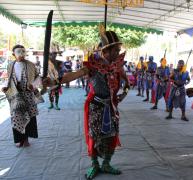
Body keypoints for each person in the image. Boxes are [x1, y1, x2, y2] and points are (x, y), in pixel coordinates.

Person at [43, 31, 129, 179]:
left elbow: (127, 83)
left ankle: (106, 164)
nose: (118, 52)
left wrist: (124, 94)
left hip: (111, 107)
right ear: (106, 51)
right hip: (96, 107)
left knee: (112, 135)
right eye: (116, 50)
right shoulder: (93, 66)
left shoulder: (118, 66)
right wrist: (55, 82)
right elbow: (74, 75)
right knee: (94, 136)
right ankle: (95, 165)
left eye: (119, 50)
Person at [1, 45, 39, 147]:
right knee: (16, 117)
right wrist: (5, 87)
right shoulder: (10, 65)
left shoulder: (31, 65)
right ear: (14, 54)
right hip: (15, 95)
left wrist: (33, 85)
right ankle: (20, 139)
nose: (21, 54)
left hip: (28, 94)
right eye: (18, 52)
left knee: (29, 117)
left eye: (23, 52)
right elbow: (8, 79)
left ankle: (26, 139)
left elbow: (38, 78)